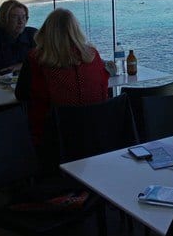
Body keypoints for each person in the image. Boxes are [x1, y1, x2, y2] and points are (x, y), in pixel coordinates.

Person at [15, 8, 109, 147]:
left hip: (53, 137)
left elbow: (21, 94)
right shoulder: (92, 55)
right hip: (98, 132)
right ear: (76, 29)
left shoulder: (37, 59)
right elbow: (103, 87)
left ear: (46, 31)